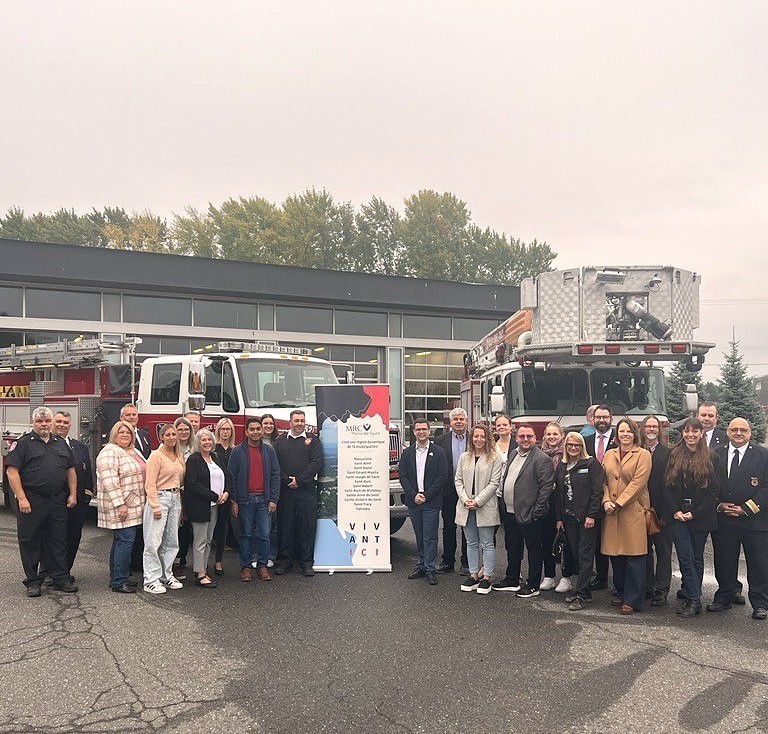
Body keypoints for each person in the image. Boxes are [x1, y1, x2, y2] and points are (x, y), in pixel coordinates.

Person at [5, 407, 78, 597]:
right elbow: (12, 472)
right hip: (32, 499)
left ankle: (60, 577)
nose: (44, 424)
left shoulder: (60, 444)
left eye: (47, 421)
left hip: (57, 500)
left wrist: (72, 494)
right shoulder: (23, 444)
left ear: (51, 422)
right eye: (39, 421)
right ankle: (33, 581)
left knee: (58, 540)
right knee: (30, 541)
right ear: (33, 422)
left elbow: (70, 470)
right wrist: (21, 498)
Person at [709, 418, 768, 620]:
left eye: (743, 430)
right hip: (725, 519)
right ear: (727, 431)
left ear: (750, 433)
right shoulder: (716, 453)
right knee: (724, 560)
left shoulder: (763, 455)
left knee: (758, 563)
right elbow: (708, 484)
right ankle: (724, 597)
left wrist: (746, 509)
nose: (738, 433)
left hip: (754, 521)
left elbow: (766, 488)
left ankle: (760, 603)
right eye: (734, 429)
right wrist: (718, 504)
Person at [662, 417, 720, 618]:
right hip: (677, 515)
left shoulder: (711, 458)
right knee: (685, 557)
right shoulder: (673, 454)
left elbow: (714, 492)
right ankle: (694, 599)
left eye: (695, 431)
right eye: (687, 431)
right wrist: (675, 511)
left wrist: (694, 513)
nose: (690, 435)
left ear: (701, 434)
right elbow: (666, 487)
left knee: (696, 557)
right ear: (683, 433)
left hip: (700, 516)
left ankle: (691, 594)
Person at [493, 424, 554, 598]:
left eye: (529, 436)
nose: (525, 439)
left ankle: (533, 585)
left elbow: (545, 489)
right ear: (516, 438)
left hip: (530, 514)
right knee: (513, 547)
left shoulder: (542, 459)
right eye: (522, 436)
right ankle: (512, 579)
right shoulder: (513, 454)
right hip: (511, 512)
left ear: (535, 438)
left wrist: (536, 512)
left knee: (534, 550)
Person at [601, 418, 651, 615]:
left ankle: (633, 599)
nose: (625, 435)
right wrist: (606, 501)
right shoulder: (609, 454)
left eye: (629, 431)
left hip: (632, 510)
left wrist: (619, 503)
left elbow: (639, 483)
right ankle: (620, 592)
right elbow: (603, 480)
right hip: (611, 510)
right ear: (617, 434)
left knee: (635, 557)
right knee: (616, 555)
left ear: (634, 434)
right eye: (622, 431)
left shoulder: (643, 455)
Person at [42, 411, 94, 583]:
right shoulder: (46, 445)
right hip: (54, 501)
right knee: (53, 538)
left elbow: (87, 475)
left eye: (65, 422)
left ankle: (64, 571)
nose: (62, 425)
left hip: (78, 502)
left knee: (73, 537)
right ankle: (49, 572)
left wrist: (87, 495)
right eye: (58, 421)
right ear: (52, 423)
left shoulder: (80, 447)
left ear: (70, 425)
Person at [554, 432, 604, 610]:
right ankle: (586, 591)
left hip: (586, 518)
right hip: (568, 518)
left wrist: (592, 515)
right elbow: (559, 494)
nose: (573, 448)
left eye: (577, 445)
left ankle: (580, 595)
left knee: (585, 555)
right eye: (570, 445)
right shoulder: (562, 466)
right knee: (575, 553)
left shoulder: (591, 464)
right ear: (566, 447)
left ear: (582, 446)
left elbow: (597, 492)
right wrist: (559, 518)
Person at [95, 420, 146, 593]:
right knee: (125, 541)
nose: (125, 435)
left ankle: (118, 577)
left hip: (134, 505)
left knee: (121, 542)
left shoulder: (133, 451)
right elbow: (110, 482)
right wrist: (120, 504)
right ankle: (119, 581)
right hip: (121, 506)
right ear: (114, 434)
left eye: (129, 432)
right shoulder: (109, 452)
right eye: (121, 432)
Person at [228, 416, 281, 581]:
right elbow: (232, 477)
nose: (256, 432)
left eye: (258, 429)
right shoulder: (237, 451)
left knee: (264, 534)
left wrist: (273, 499)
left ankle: (262, 566)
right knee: (246, 534)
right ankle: (246, 567)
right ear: (246, 432)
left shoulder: (268, 451)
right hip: (245, 500)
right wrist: (234, 500)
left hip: (264, 500)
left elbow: (275, 475)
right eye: (252, 429)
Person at [398, 418, 450, 585]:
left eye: (424, 429)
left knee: (430, 536)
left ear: (429, 431)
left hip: (431, 501)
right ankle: (421, 565)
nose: (421, 432)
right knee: (419, 535)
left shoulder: (439, 452)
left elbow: (442, 476)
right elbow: (403, 476)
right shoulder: (407, 453)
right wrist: (413, 495)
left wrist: (426, 495)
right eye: (418, 429)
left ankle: (430, 568)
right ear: (413, 432)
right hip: (414, 501)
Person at [455, 424, 503, 594]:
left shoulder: (494, 458)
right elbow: (458, 481)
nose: (479, 439)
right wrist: (466, 499)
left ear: (487, 438)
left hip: (485, 506)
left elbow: (494, 483)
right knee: (471, 542)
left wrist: (477, 501)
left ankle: (487, 577)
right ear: (471, 438)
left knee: (487, 543)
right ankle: (474, 575)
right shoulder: (464, 457)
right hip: (466, 505)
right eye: (476, 436)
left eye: (482, 436)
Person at [274, 410, 322, 576]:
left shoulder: (313, 441)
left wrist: (299, 481)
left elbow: (316, 463)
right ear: (290, 422)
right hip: (285, 491)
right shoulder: (279, 441)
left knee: (307, 526)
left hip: (306, 490)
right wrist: (288, 481)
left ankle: (306, 562)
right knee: (285, 526)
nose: (299, 423)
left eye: (302, 420)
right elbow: (275, 466)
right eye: (296, 420)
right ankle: (284, 561)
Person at [142, 423, 186, 594]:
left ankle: (165, 575)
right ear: (161, 437)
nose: (172, 437)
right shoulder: (156, 456)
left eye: (173, 434)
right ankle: (150, 579)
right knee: (153, 541)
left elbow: (180, 480)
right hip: (160, 498)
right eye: (167, 435)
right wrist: (154, 505)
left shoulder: (178, 455)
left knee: (171, 540)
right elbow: (150, 483)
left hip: (175, 498)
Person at [184, 428, 229, 588]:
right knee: (200, 540)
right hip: (200, 506)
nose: (207, 442)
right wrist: (214, 496)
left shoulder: (215, 457)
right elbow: (193, 484)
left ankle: (202, 568)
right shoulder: (193, 459)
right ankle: (200, 574)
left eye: (209, 439)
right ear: (198, 442)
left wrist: (226, 492)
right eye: (203, 440)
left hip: (215, 506)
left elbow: (226, 476)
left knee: (209, 540)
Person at [584, 404, 618, 591]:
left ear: (611, 418)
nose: (602, 420)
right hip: (591, 499)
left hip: (614, 498)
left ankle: (619, 579)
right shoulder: (585, 440)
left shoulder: (619, 440)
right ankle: (601, 577)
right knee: (596, 540)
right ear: (592, 419)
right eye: (598, 417)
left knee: (615, 537)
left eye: (605, 417)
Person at [540, 422, 576, 593]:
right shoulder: (539, 454)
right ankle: (548, 576)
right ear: (545, 436)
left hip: (563, 503)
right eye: (549, 434)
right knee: (546, 540)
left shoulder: (567, 455)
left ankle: (566, 577)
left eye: (555, 434)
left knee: (565, 541)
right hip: (545, 502)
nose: (552, 437)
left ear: (562, 435)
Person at [641, 415, 673, 606]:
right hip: (640, 510)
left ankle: (661, 589)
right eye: (648, 426)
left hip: (661, 511)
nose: (651, 429)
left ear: (659, 430)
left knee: (663, 551)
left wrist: (666, 512)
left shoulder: (668, 453)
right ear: (643, 429)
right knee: (643, 551)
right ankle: (647, 586)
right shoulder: (636, 451)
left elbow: (670, 484)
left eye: (655, 426)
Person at [434, 408, 470, 575]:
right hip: (448, 490)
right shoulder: (440, 441)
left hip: (469, 490)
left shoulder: (475, 439)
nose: (458, 421)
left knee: (467, 527)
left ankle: (466, 562)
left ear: (466, 420)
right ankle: (448, 560)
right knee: (448, 526)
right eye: (455, 419)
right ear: (450, 422)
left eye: (461, 418)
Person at [119, 403, 151, 576]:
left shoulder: (144, 435)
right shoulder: (119, 439)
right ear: (121, 418)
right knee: (126, 535)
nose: (132, 418)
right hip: (128, 493)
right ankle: (125, 568)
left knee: (140, 529)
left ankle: (137, 563)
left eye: (134, 415)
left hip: (143, 489)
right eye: (128, 415)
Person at [212, 417, 236, 575]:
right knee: (209, 531)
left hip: (229, 495)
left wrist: (231, 496)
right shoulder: (213, 450)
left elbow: (235, 475)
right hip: (215, 496)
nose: (226, 432)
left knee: (223, 529)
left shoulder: (236, 450)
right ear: (218, 431)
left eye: (228, 429)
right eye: (223, 429)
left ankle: (218, 561)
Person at [173, 416, 195, 579]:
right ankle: (173, 564)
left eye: (186, 429)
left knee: (186, 529)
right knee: (175, 529)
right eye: (180, 429)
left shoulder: (193, 449)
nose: (183, 432)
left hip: (192, 494)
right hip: (176, 493)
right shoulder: (170, 449)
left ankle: (181, 560)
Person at [260, 412, 279, 564]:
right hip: (259, 489)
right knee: (258, 526)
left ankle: (271, 555)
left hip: (274, 489)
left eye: (271, 423)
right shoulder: (254, 443)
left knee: (272, 525)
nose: (268, 426)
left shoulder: (279, 443)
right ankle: (258, 556)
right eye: (265, 423)